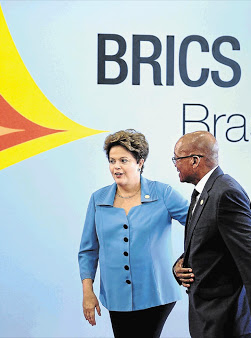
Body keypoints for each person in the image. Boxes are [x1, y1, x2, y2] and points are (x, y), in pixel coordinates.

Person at [78, 129, 189, 338]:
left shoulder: (162, 193)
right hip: (116, 295)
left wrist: (186, 259)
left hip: (156, 293)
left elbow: (199, 225)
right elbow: (88, 250)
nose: (116, 167)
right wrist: (88, 291)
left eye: (123, 160)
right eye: (112, 161)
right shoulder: (98, 199)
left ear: (139, 162)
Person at [172, 131, 251, 338]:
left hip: (226, 320)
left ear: (195, 160)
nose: (175, 164)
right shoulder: (201, 193)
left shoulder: (226, 193)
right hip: (207, 318)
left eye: (177, 158)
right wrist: (179, 266)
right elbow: (207, 242)